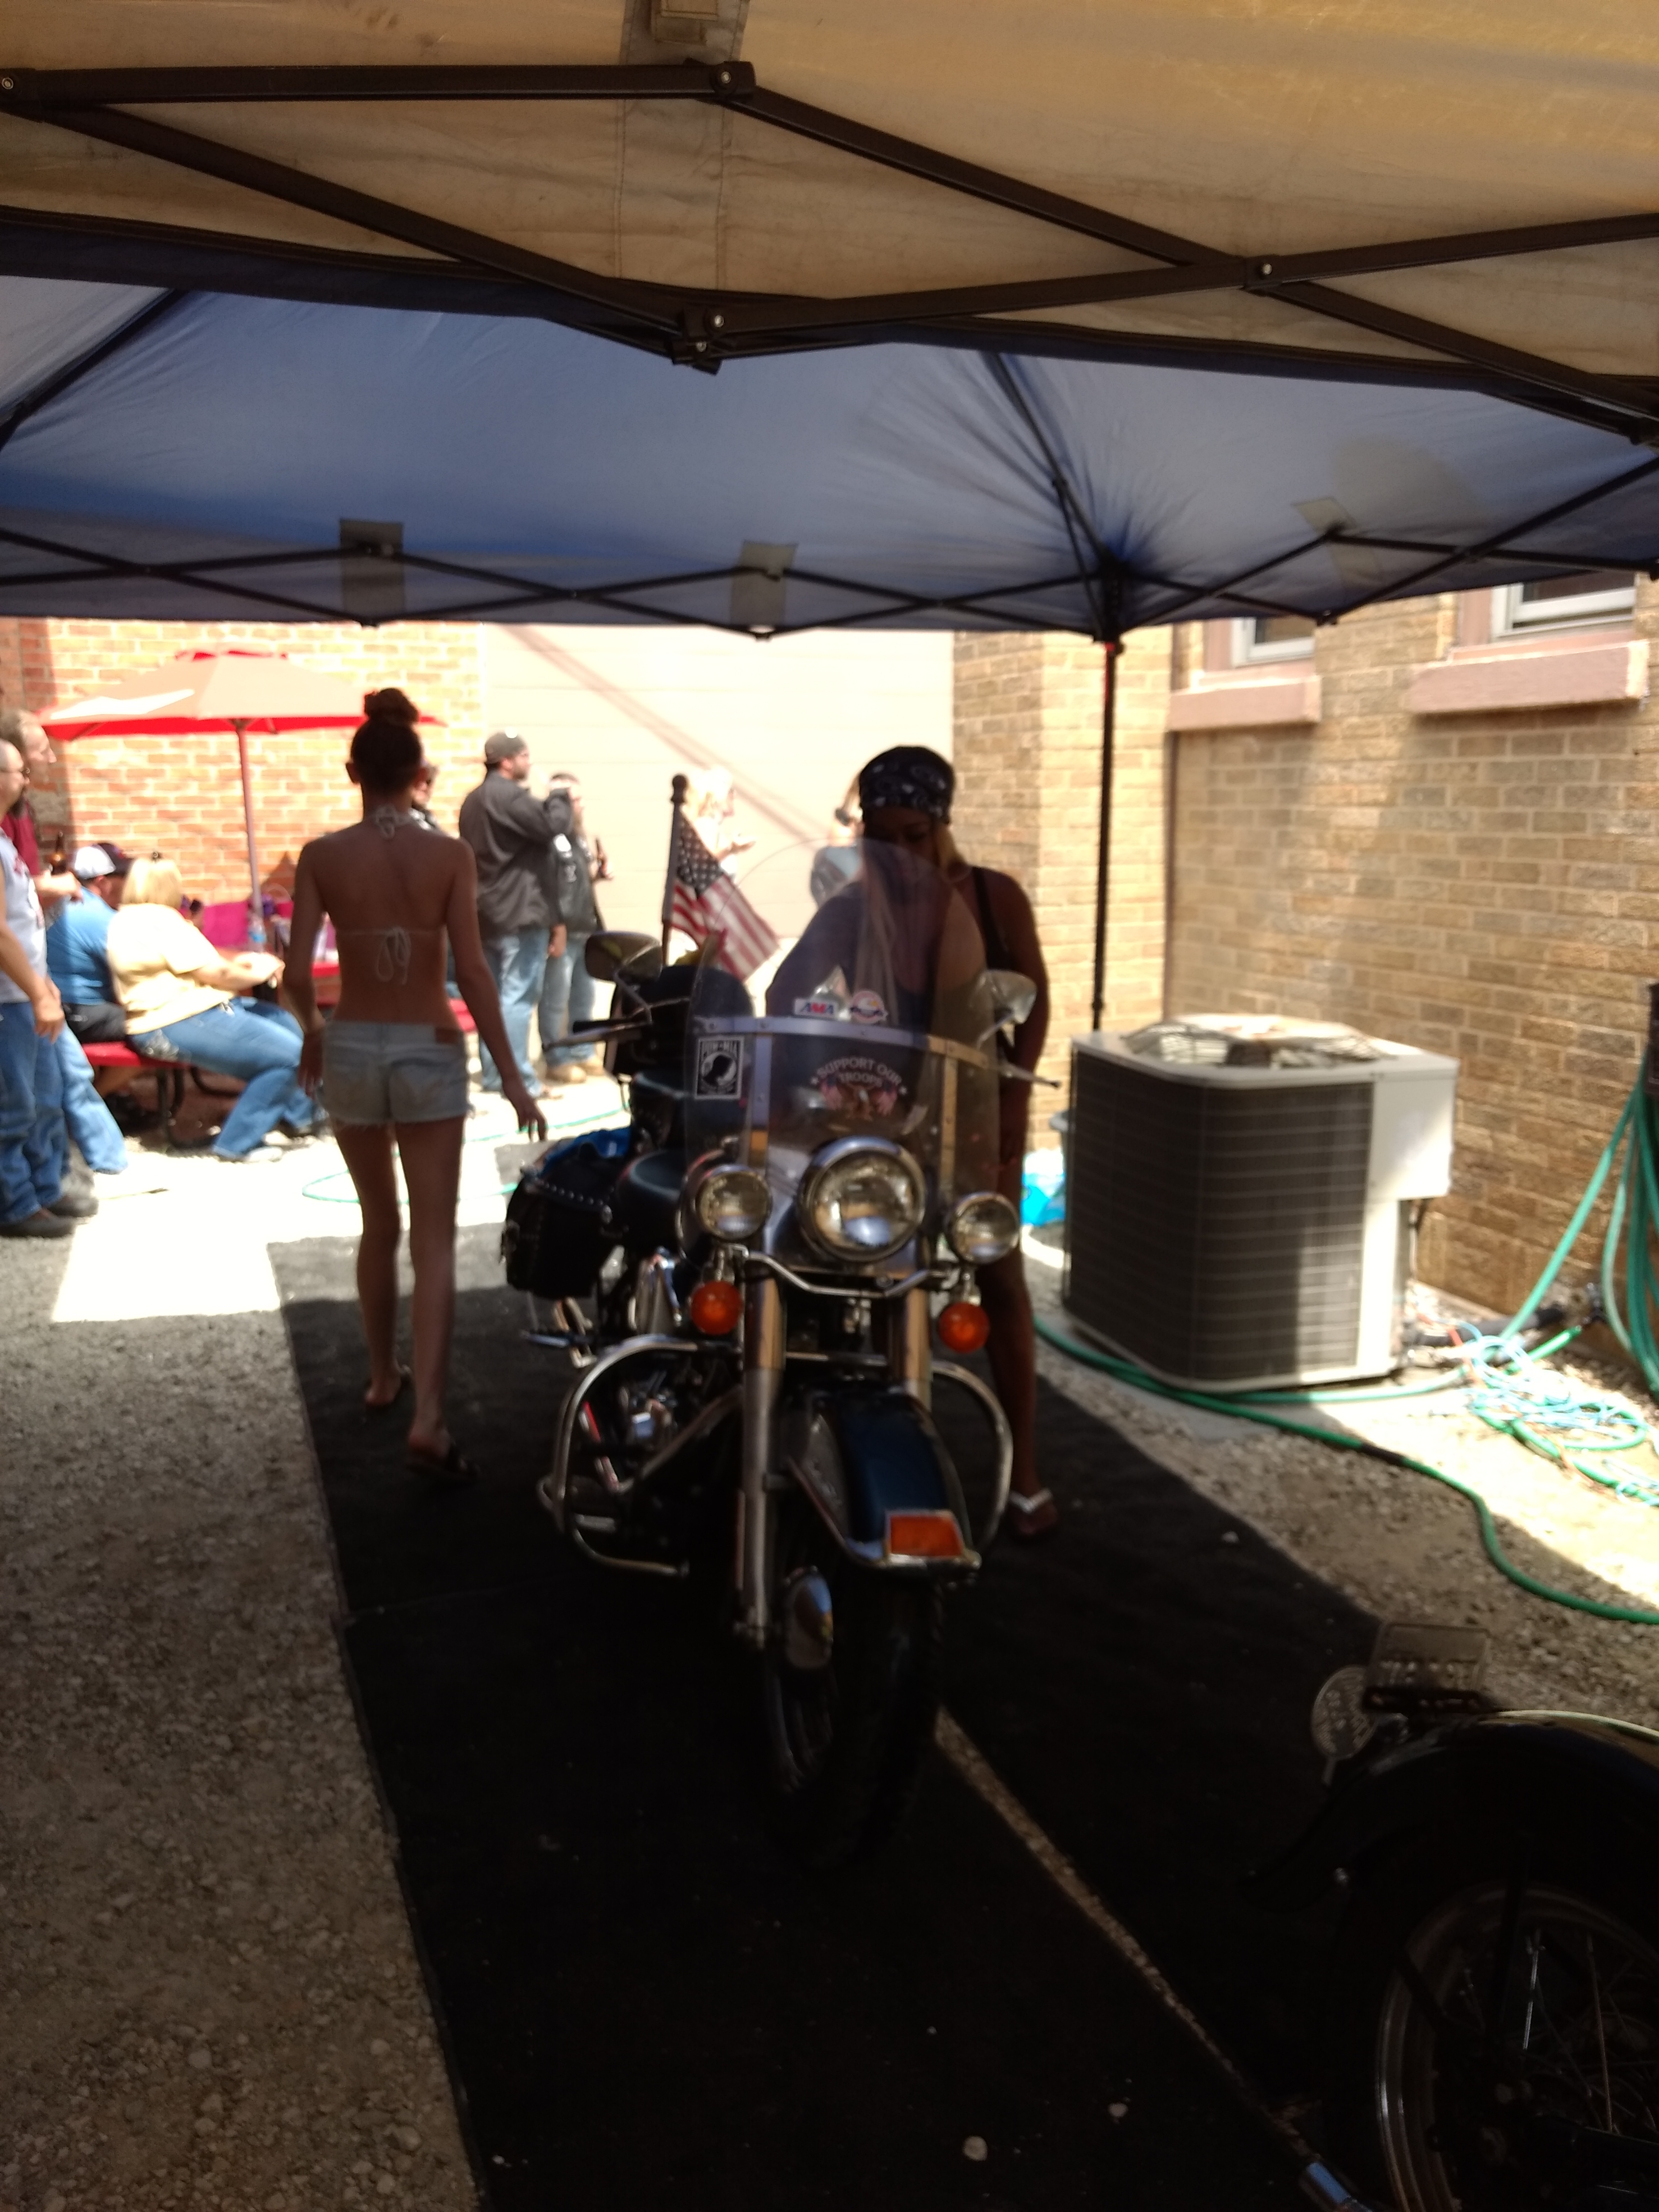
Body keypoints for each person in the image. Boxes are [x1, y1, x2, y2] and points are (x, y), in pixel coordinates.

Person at [785, 745, 1057, 1539]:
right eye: (881, 838)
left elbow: (1035, 998)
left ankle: (1026, 1469)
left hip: (974, 1115)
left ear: (941, 827)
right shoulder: (848, 909)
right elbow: (789, 991)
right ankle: (887, 1437)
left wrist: (1014, 1100)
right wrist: (802, 1064)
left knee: (998, 1276)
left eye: (912, 836)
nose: (898, 854)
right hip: (877, 1117)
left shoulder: (993, 897)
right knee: (869, 1269)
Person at [283, 690, 546, 1481]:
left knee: (378, 1222)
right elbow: (475, 972)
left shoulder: (322, 856)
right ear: (418, 776)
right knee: (434, 1238)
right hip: (428, 1045)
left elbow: (296, 974)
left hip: (355, 1044)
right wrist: (513, 1076)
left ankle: (380, 1375)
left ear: (353, 773)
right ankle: (430, 1416)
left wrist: (315, 1031)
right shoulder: (449, 856)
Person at [107, 857, 316, 1162]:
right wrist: (263, 969)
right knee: (290, 1057)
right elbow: (219, 973)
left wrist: (245, 964)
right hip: (178, 1018)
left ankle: (300, 1115)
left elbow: (202, 962)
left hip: (173, 1017)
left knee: (283, 1021)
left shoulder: (125, 919)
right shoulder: (162, 921)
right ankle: (238, 1142)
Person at [0, 734, 86, 1238]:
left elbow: (23, 923)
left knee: (45, 1099)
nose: (27, 781)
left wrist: (44, 986)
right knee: (14, 1108)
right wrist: (36, 992)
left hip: (27, 995)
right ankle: (16, 1204)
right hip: (9, 1001)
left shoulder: (6, 841)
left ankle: (46, 1188)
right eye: (20, 772)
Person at [457, 730, 572, 1095]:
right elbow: (552, 825)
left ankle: (495, 1075)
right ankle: (519, 1079)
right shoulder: (510, 797)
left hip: (485, 913)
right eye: (524, 756)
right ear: (506, 762)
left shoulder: (472, 802)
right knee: (517, 997)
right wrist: (559, 795)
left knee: (492, 997)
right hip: (520, 913)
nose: (529, 762)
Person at [537, 770, 604, 1085]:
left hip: (586, 928)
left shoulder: (578, 836)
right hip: (563, 929)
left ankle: (583, 1050)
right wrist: (556, 926)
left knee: (584, 996)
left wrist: (598, 874)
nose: (581, 805)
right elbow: (547, 887)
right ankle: (556, 1058)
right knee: (556, 997)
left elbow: (577, 882)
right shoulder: (549, 837)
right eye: (575, 800)